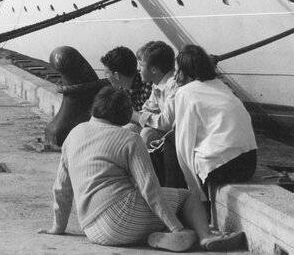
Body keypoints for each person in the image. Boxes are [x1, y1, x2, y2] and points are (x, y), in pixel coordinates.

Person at [39, 86, 246, 252]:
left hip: (92, 228)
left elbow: (61, 188)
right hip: (121, 219)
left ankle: (165, 233)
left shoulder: (74, 134)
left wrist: (58, 227)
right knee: (186, 198)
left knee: (165, 208)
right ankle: (203, 237)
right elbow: (150, 188)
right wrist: (177, 227)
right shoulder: (130, 139)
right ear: (123, 114)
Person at [173, 45, 258, 207]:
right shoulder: (222, 85)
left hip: (223, 168)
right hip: (249, 163)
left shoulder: (185, 92)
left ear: (185, 71)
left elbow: (183, 144)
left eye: (178, 70)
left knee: (172, 142)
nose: (176, 76)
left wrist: (196, 192)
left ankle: (182, 204)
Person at [133, 41, 185, 189]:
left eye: (141, 66)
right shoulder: (157, 85)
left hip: (176, 138)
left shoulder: (173, 85)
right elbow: (148, 109)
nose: (139, 70)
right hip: (165, 133)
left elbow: (166, 122)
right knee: (130, 128)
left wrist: (137, 116)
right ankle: (129, 180)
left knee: (147, 134)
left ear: (154, 69)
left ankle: (147, 184)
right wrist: (138, 117)